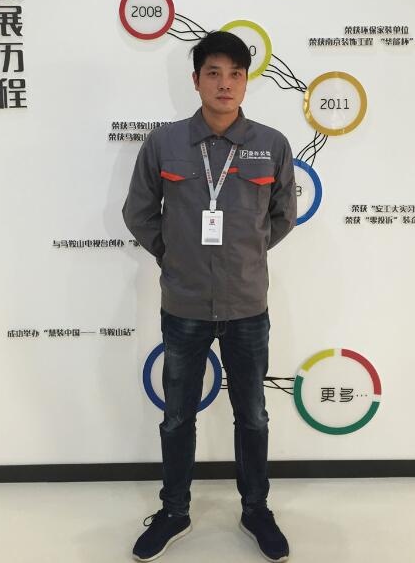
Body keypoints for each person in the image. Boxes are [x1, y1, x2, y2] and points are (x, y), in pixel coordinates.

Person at [123, 30, 297, 562]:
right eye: (214, 73)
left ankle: (256, 510)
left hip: (247, 307)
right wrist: (175, 255)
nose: (225, 84)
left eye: (235, 74)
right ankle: (174, 511)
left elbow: (282, 216)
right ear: (195, 79)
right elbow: (138, 212)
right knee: (178, 416)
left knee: (253, 416)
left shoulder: (272, 144)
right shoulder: (164, 144)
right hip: (185, 305)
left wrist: (245, 256)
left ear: (247, 81)